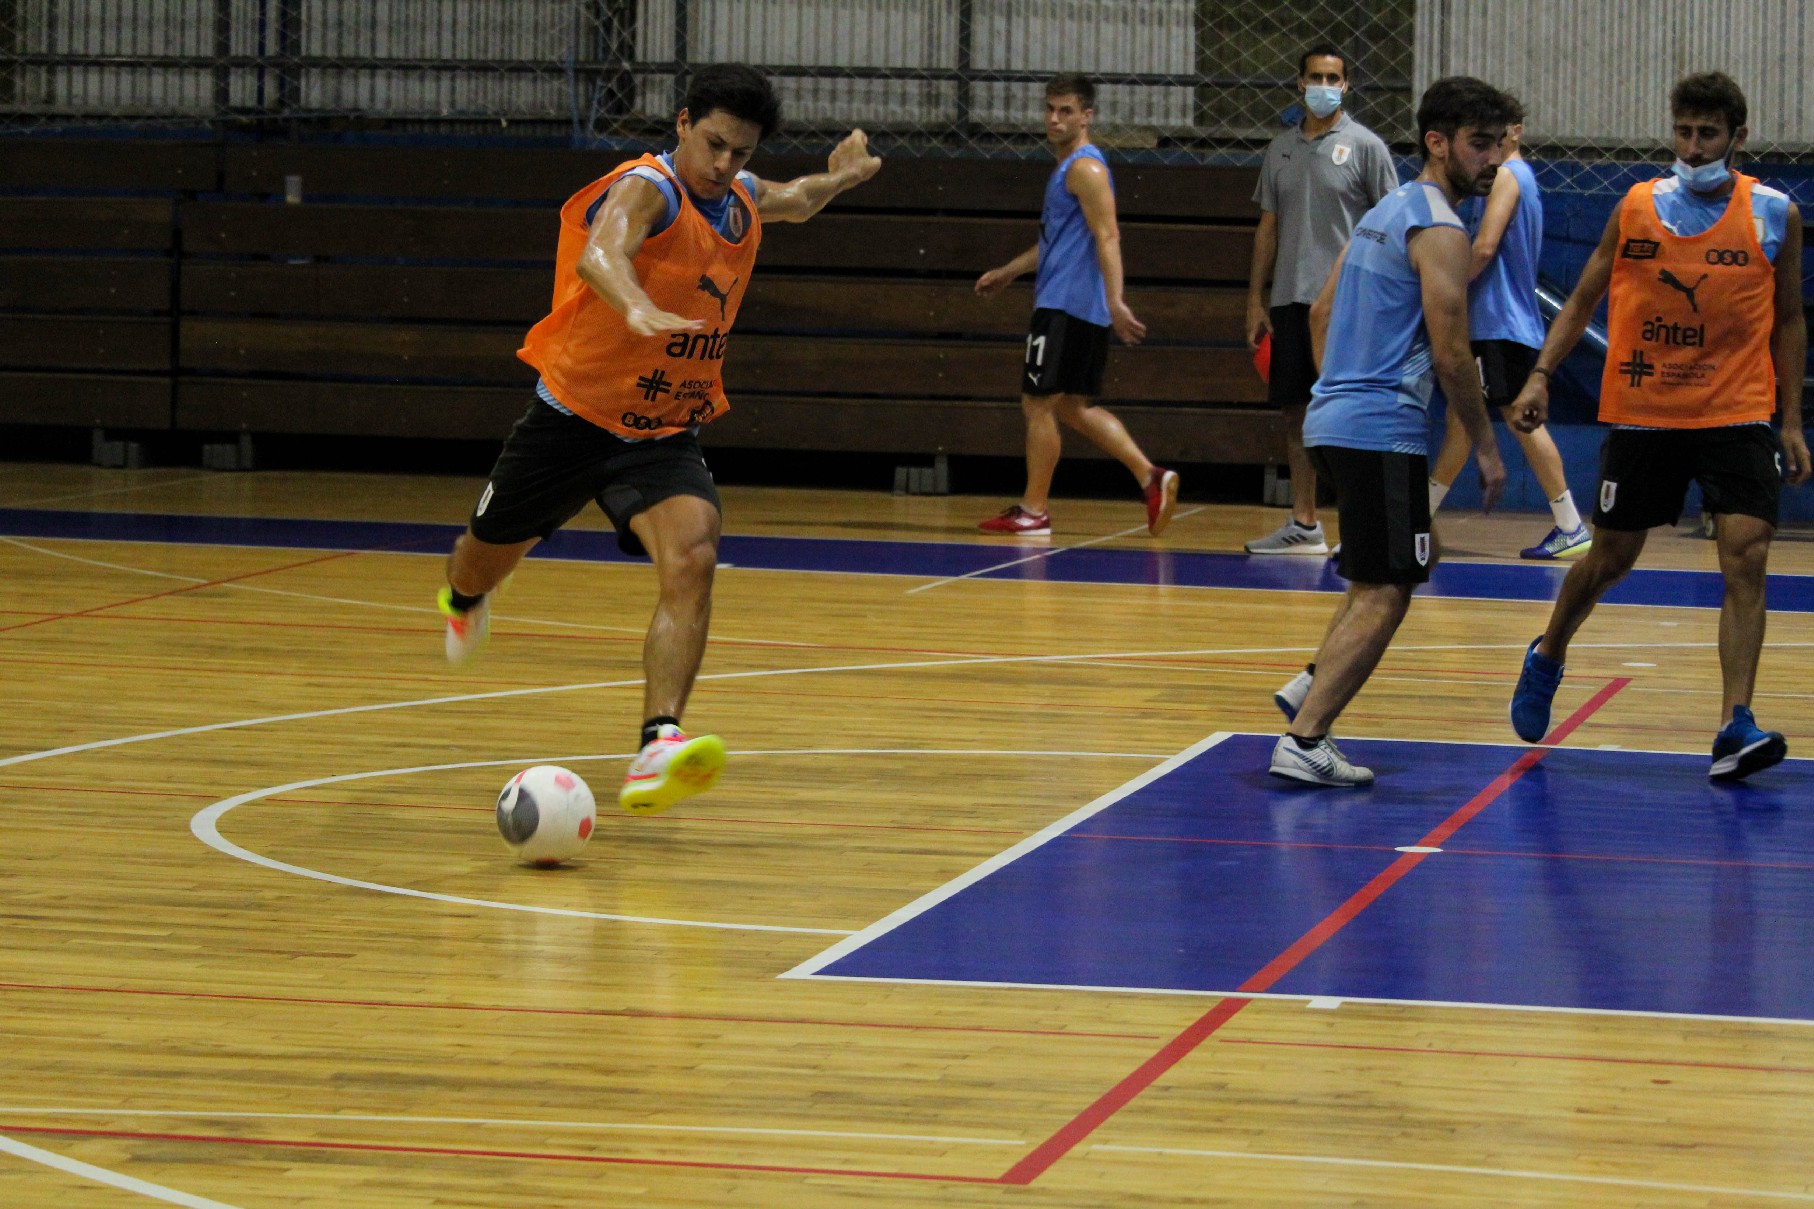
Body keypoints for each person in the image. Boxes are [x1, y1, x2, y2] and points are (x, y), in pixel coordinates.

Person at [434, 65, 881, 813]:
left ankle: (658, 740)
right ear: (681, 124)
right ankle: (463, 595)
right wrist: (635, 303)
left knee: (695, 548)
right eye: (713, 145)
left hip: (662, 429)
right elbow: (602, 251)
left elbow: (796, 199)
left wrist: (841, 179)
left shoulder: (739, 197)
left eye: (740, 152)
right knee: (480, 559)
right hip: (572, 418)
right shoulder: (648, 187)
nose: (724, 165)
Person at [1507, 72, 1809, 781]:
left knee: (1747, 551)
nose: (1693, 146)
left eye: (1708, 134)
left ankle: (1735, 722)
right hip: (1646, 410)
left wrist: (1791, 418)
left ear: (1738, 137)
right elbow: (1583, 297)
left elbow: (1790, 320)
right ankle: (1548, 650)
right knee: (1611, 557)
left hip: (1736, 409)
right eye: (1684, 131)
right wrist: (1540, 374)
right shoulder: (1637, 206)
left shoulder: (1773, 213)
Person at [1269, 76, 1513, 787]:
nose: (1493, 157)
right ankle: (1306, 737)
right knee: (1389, 590)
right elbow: (1451, 353)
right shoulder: (1440, 229)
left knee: (1392, 567)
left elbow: (1319, 313)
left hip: (1333, 420)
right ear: (1437, 143)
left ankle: (1311, 682)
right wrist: (1487, 448)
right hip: (1380, 428)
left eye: (1499, 143)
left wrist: (1339, 387)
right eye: (1479, 143)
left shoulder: (1385, 209)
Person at [974, 73, 1177, 538]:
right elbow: (1057, 242)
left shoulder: (1085, 169)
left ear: (1087, 116)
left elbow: (1108, 236)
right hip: (1073, 305)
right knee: (1071, 407)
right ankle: (1151, 476)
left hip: (1067, 306)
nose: (1054, 118)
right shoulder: (1069, 169)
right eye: (1049, 109)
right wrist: (1009, 271)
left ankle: (1034, 510)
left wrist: (1116, 299)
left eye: (1066, 110)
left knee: (1037, 403)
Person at [1244, 45, 1400, 555]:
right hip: (1290, 300)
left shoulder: (1366, 147)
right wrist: (1255, 299)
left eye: (1333, 77)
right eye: (1315, 76)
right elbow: (1267, 229)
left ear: (1346, 86)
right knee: (1297, 413)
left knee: (1346, 412)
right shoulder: (1280, 149)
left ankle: (1360, 527)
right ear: (1299, 82)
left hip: (1346, 305)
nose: (1323, 85)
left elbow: (1391, 223)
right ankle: (1305, 524)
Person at [1427, 102, 1592, 559]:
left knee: (1519, 420)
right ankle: (1416, 520)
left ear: (1517, 131)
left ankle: (1571, 524)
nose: (1493, 142)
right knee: (1460, 424)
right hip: (1500, 321)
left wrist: (1446, 290)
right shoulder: (1525, 179)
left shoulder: (1507, 177)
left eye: (1500, 132)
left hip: (1499, 321)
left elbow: (1483, 246)